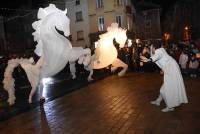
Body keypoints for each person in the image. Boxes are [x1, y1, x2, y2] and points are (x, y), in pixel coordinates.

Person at [140, 43, 188, 112]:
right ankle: (158, 101)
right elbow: (155, 57)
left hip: (172, 71)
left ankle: (170, 107)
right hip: (170, 70)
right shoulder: (157, 52)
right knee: (166, 86)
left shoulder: (160, 51)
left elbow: (157, 56)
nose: (150, 49)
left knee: (163, 90)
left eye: (151, 47)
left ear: (153, 47)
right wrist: (147, 54)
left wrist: (148, 60)